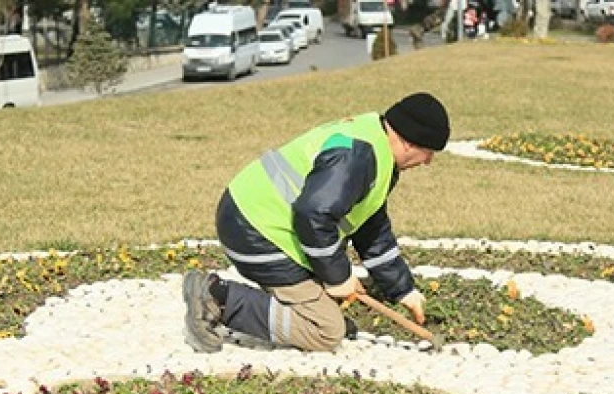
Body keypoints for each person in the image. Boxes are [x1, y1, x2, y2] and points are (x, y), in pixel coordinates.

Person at [182, 92, 451, 353]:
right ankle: (217, 298)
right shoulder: (356, 158)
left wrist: (403, 290)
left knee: (328, 293)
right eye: (428, 152)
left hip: (257, 219)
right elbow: (314, 215)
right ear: (408, 142)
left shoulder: (374, 147)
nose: (428, 161)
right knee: (326, 330)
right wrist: (338, 277)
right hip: (254, 231)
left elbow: (372, 230)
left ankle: (306, 305)